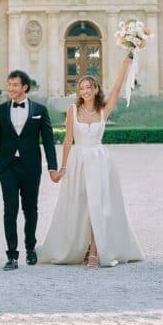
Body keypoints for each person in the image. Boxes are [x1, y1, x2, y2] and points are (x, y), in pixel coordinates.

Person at [38, 55, 143, 268]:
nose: (85, 91)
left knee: (98, 204)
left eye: (89, 87)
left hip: (99, 161)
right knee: (81, 206)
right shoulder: (73, 111)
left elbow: (116, 88)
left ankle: (95, 251)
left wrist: (127, 60)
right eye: (82, 88)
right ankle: (83, 247)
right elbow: (68, 140)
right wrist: (63, 167)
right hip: (78, 162)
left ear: (96, 89)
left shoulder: (104, 109)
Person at [0, 70, 59, 270]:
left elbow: (48, 141)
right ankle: (12, 255)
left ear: (24, 87)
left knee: (30, 208)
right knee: (10, 209)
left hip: (31, 167)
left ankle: (30, 248)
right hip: (7, 166)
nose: (11, 88)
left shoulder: (40, 110)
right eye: (9, 84)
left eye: (15, 85)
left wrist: (52, 167)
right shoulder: (0, 111)